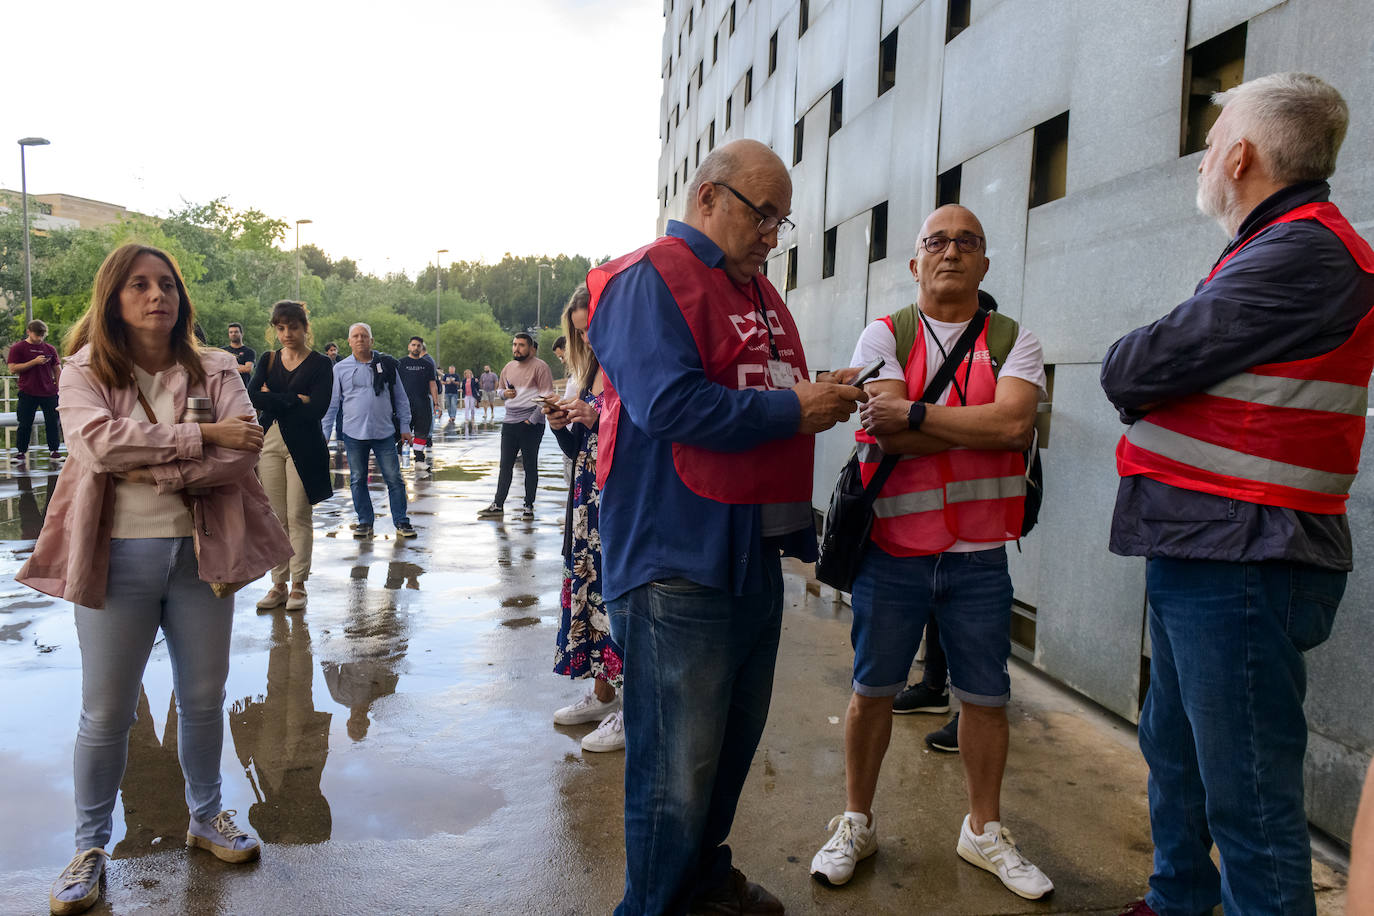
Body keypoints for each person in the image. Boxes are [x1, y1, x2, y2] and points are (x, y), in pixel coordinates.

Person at [1100, 73, 1372, 916]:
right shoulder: (1273, 244)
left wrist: (1135, 373)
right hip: (1208, 547)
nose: (1205, 155)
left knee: (1249, 802)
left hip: (1246, 557)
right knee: (1175, 753)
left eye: (1213, 139)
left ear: (1243, 153)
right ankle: (1178, 896)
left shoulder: (1301, 251)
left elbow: (1138, 365)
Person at [587, 139, 863, 915]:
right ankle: (654, 905)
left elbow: (757, 387)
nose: (775, 233)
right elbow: (669, 405)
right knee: (673, 771)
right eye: (763, 213)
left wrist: (815, 390)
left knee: (726, 752)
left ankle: (701, 883)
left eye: (783, 219)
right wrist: (792, 407)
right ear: (709, 196)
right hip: (677, 561)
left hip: (750, 554)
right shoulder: (650, 279)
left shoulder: (752, 292)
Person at [17, 243, 292, 916]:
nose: (155, 295)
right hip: (116, 556)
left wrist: (153, 464)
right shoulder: (81, 371)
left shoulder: (217, 366)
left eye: (165, 283)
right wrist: (203, 439)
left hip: (202, 557)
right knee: (106, 712)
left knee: (203, 698)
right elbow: (99, 444)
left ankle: (206, 818)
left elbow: (244, 452)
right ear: (113, 297)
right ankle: (88, 849)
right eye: (138, 285)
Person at [808, 205, 1051, 901]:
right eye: (936, 242)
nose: (951, 252)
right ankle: (856, 821)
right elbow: (887, 437)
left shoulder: (1014, 340)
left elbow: (1012, 424)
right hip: (894, 549)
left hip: (978, 557)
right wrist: (970, 427)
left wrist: (917, 413)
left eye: (967, 242)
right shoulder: (885, 333)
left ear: (984, 261)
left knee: (986, 698)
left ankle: (984, 830)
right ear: (915, 262)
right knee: (872, 691)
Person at [545, 287, 625, 753]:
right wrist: (562, 426)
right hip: (586, 497)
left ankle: (628, 711)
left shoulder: (629, 366)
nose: (589, 340)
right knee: (591, 590)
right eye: (581, 332)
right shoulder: (592, 367)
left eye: (592, 328)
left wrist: (596, 422)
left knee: (619, 596)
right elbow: (580, 450)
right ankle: (601, 694)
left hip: (618, 493)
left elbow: (647, 429)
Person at [249, 301, 334, 612]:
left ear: (304, 328)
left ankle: (298, 584)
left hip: (305, 445)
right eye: (280, 328)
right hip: (269, 442)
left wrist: (272, 398)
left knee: (298, 515)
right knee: (275, 517)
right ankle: (278, 584)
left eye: (293, 327)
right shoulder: (268, 359)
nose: (286, 334)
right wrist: (292, 399)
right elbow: (251, 395)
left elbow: (318, 408)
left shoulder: (321, 364)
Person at [320, 323, 416, 540]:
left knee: (394, 479)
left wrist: (404, 426)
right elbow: (332, 404)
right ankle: (365, 521)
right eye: (356, 336)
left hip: (384, 432)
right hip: (353, 433)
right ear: (349, 341)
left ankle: (401, 521)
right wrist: (325, 434)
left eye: (365, 336)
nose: (360, 339)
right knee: (357, 478)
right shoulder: (340, 368)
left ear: (372, 341)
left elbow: (401, 398)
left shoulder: (387, 365)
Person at [476, 334, 553, 520]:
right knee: (505, 465)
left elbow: (547, 397)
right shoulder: (508, 367)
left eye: (521, 345)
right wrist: (505, 393)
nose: (516, 348)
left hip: (530, 423)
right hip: (510, 421)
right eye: (514, 344)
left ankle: (528, 506)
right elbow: (500, 390)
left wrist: (532, 420)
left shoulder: (540, 367)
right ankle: (498, 504)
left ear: (531, 348)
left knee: (529, 465)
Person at [7, 319, 64, 466]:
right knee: (25, 423)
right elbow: (13, 368)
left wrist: (59, 388)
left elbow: (57, 369)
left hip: (49, 392)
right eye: (37, 335)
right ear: (28, 332)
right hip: (28, 391)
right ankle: (20, 452)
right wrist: (34, 362)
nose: (39, 338)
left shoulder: (50, 349)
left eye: (42, 335)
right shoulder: (18, 348)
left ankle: (54, 451)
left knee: (53, 422)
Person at [398, 336, 439, 469]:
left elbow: (432, 384)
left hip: (423, 403)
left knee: (422, 431)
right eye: (413, 345)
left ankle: (419, 460)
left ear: (422, 348)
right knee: (403, 430)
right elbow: (394, 385)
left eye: (418, 346)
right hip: (405, 404)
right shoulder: (401, 363)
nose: (416, 348)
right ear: (409, 346)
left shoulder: (427, 364)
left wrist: (436, 403)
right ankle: (398, 455)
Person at [223, 322, 255, 387]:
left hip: (243, 388)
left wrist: (227, 368)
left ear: (242, 334)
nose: (233, 334)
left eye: (236, 332)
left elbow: (248, 369)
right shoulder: (223, 351)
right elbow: (218, 369)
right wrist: (240, 367)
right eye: (231, 332)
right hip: (226, 387)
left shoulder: (249, 351)